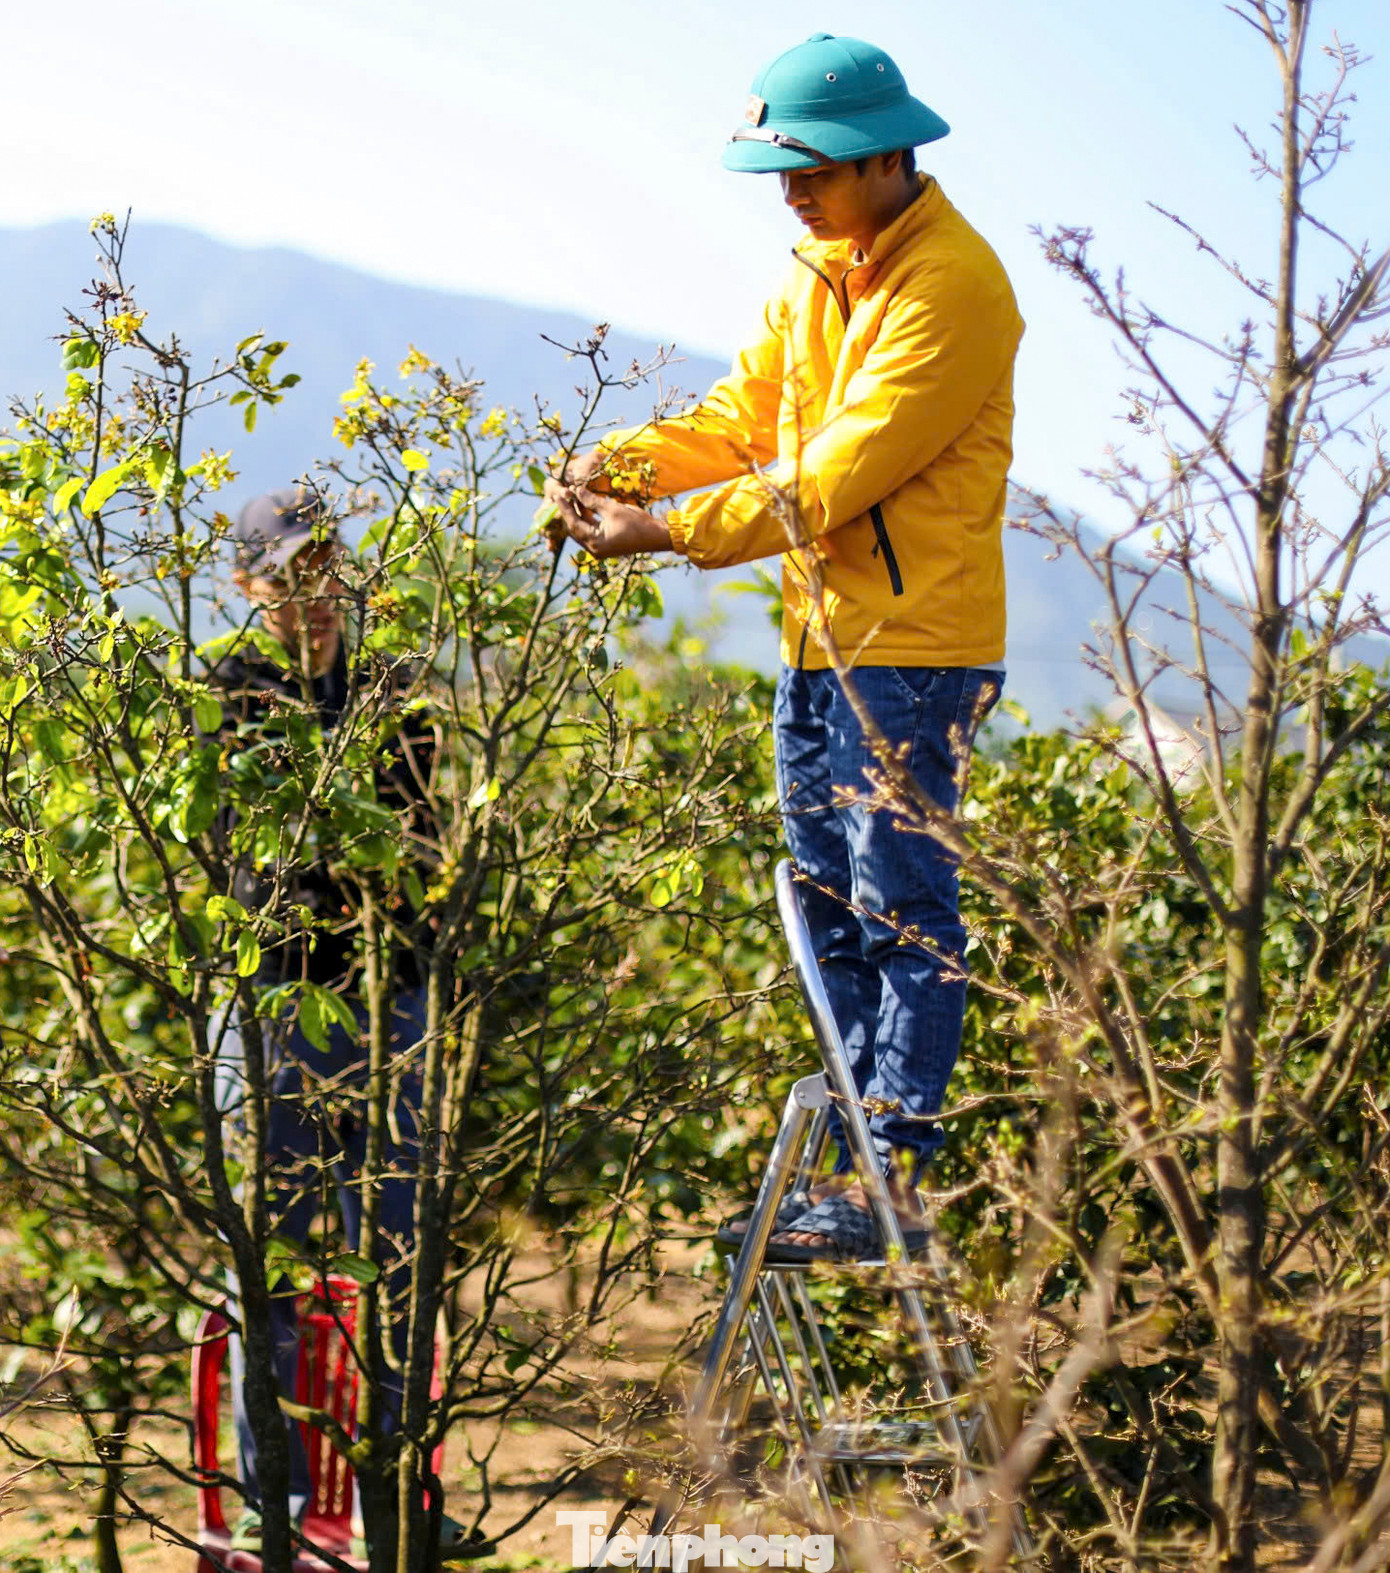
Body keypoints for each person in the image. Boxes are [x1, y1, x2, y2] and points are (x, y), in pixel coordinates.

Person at [546, 34, 1023, 1261]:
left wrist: (667, 529)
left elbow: (837, 470)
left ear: (880, 157)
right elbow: (746, 419)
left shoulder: (952, 287)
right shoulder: (822, 273)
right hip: (827, 642)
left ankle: (892, 1187)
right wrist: (625, 463)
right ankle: (860, 1168)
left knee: (901, 911)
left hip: (914, 651)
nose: (790, 192)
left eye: (808, 169)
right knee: (824, 909)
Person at [212, 487, 469, 1558]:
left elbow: (412, 844)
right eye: (289, 573)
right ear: (248, 585)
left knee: (401, 1264)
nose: (314, 592)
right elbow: (248, 854)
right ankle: (270, 1491)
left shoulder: (395, 688)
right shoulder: (231, 692)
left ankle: (398, 1494)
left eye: (326, 567)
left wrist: (343, 853)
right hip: (275, 1002)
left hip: (389, 1002)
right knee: (264, 1261)